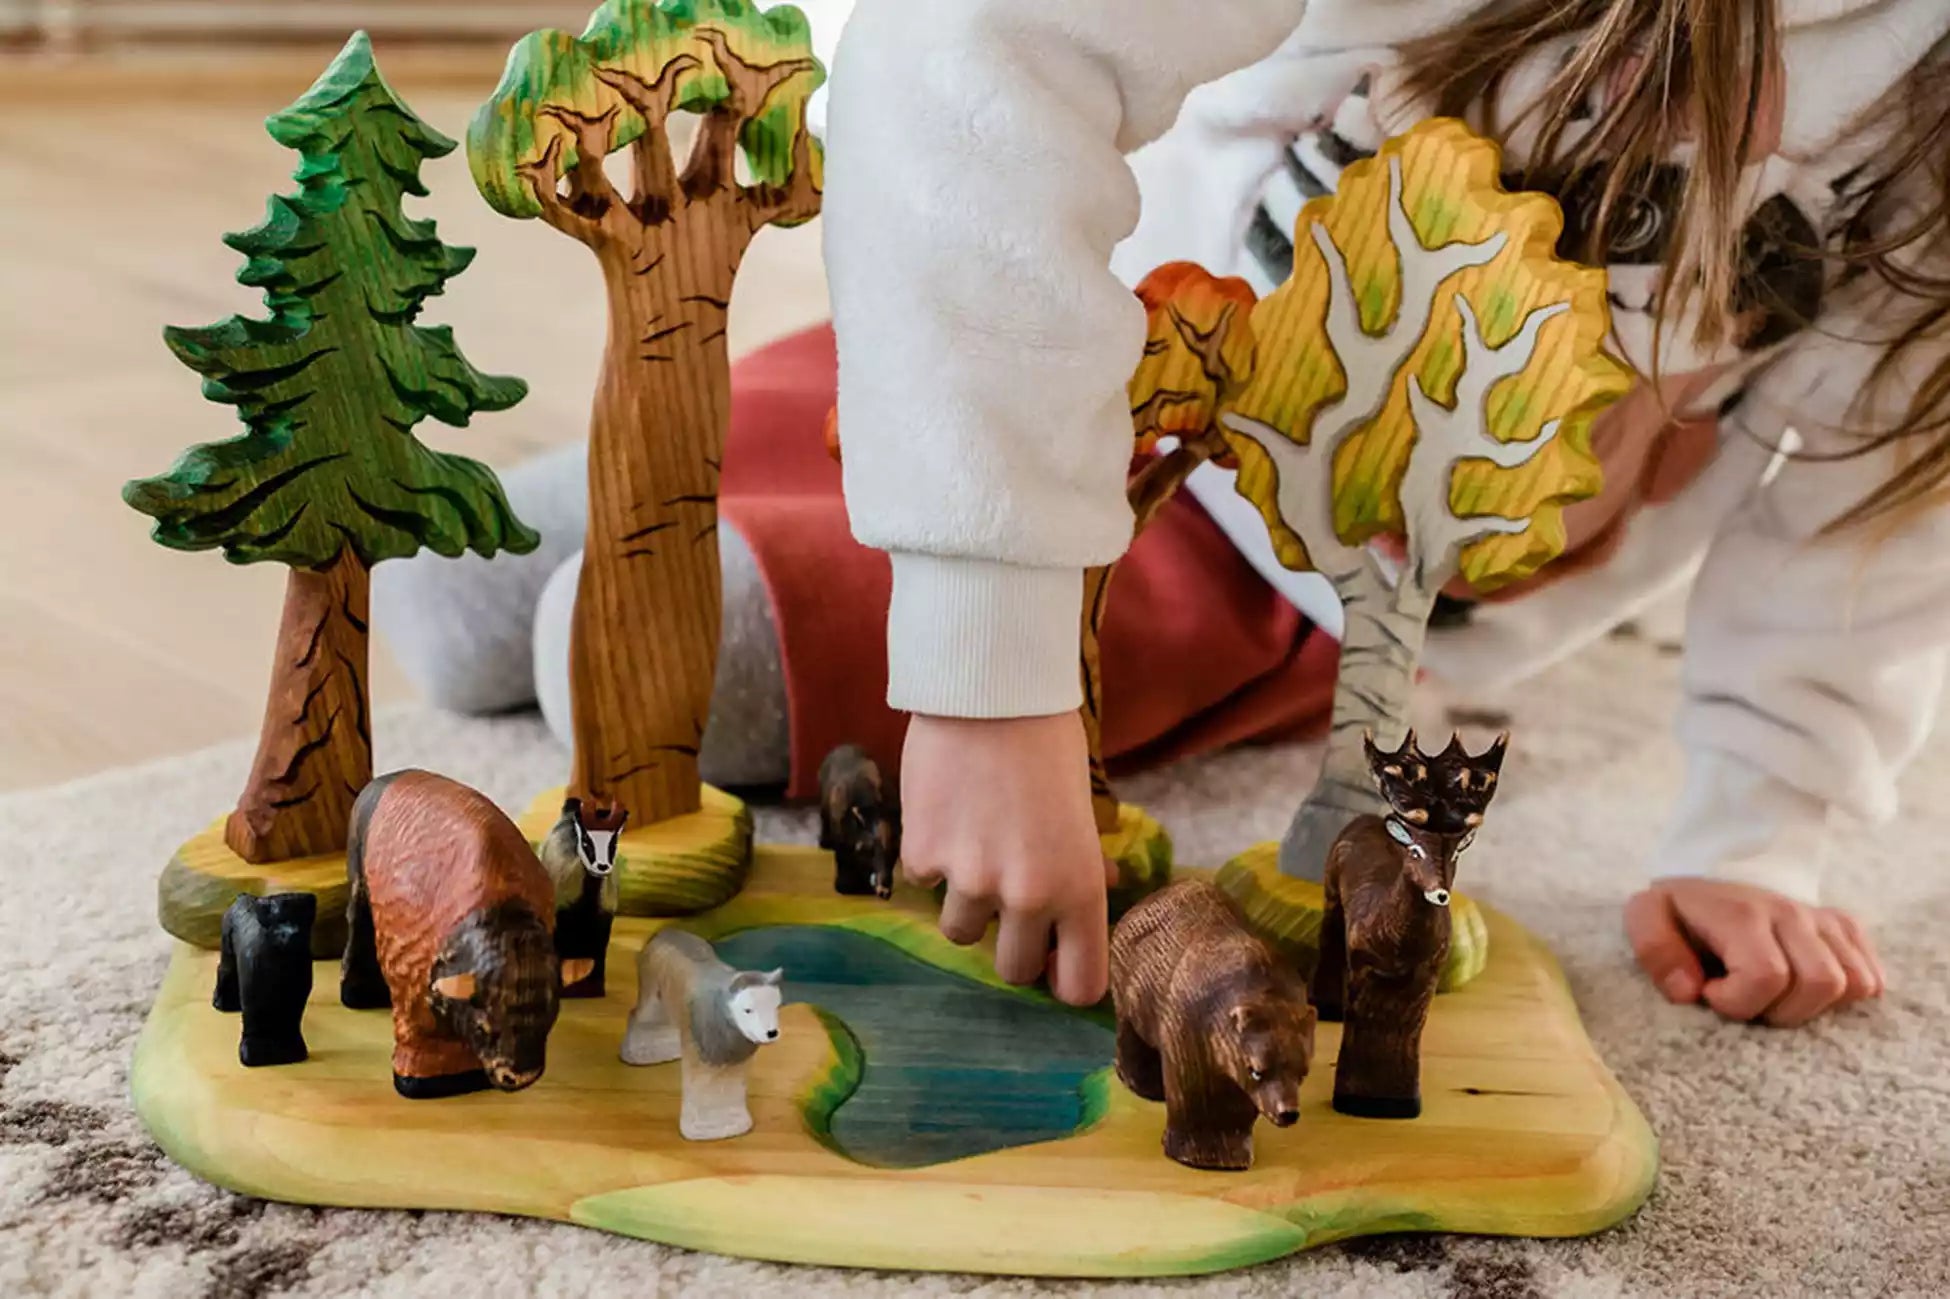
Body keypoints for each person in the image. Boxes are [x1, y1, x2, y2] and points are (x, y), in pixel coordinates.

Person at [378, 0, 1950, 1025]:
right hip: (1056, 366)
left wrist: (1765, 821)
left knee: (685, 657)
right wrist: (993, 692)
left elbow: (1883, 485)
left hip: (1265, 566)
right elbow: (968, 49)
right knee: (471, 591)